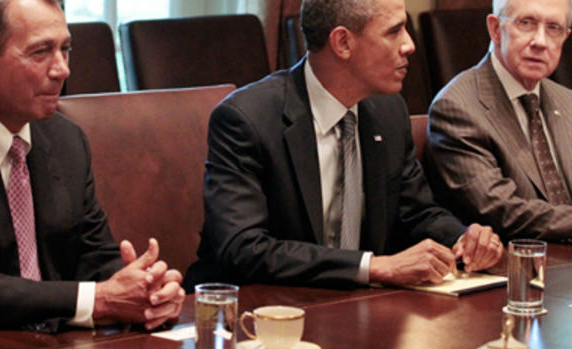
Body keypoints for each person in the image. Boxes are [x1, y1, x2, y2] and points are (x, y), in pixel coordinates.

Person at [184, 0, 503, 291]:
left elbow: (415, 212)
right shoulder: (247, 119)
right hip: (257, 314)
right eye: (394, 31)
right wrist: (374, 267)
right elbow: (244, 248)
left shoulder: (387, 111)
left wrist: (464, 238)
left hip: (357, 309)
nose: (409, 45)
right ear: (343, 42)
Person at [0, 0, 184, 332]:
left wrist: (146, 290)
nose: (62, 69)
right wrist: (97, 301)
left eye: (65, 49)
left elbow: (94, 255)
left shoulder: (66, 139)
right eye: (40, 52)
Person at [427, 0, 572, 242]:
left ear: (565, 37)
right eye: (526, 23)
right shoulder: (457, 107)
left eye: (553, 28)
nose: (540, 41)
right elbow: (502, 213)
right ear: (495, 29)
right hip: (515, 266)